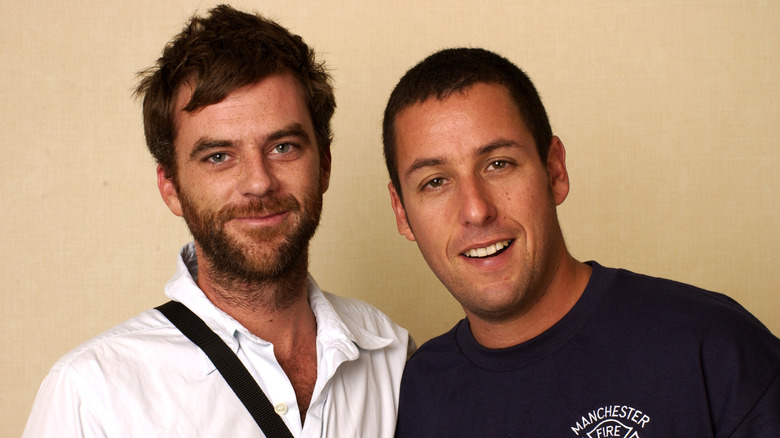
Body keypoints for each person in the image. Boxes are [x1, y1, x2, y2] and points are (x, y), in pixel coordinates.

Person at [24, 5, 412, 437]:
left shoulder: (391, 354)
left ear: (323, 166)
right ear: (170, 186)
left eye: (283, 147)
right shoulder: (91, 395)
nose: (259, 183)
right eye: (219, 157)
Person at [383, 47, 779, 437]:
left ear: (554, 171)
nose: (475, 210)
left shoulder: (712, 347)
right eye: (435, 182)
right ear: (403, 214)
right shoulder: (413, 396)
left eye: (498, 164)